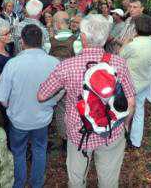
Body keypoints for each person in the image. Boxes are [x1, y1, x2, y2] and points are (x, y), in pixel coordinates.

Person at [38, 14, 136, 188]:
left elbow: (42, 95)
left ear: (82, 37)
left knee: (76, 180)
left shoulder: (67, 66)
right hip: (111, 131)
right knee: (108, 181)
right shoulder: (119, 64)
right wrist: (125, 125)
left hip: (78, 133)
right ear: (106, 38)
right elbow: (131, 101)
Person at [0, 24, 60, 188]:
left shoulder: (13, 64)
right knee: (39, 149)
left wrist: (11, 107)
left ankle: (19, 183)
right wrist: (52, 103)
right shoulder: (54, 63)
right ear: (42, 41)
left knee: (18, 152)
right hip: (42, 119)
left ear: (22, 41)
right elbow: (62, 89)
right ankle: (37, 183)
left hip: (18, 119)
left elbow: (1, 96)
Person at [119, 14, 151, 148]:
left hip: (130, 84)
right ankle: (136, 141)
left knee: (126, 110)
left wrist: (125, 42)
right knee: (139, 111)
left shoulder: (133, 45)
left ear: (136, 28)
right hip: (145, 81)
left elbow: (119, 57)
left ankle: (123, 136)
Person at [49, 11, 78, 151]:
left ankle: (64, 138)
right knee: (73, 107)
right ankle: (73, 135)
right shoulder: (77, 41)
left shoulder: (50, 41)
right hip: (74, 81)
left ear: (58, 24)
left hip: (57, 80)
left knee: (60, 109)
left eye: (54, 23)